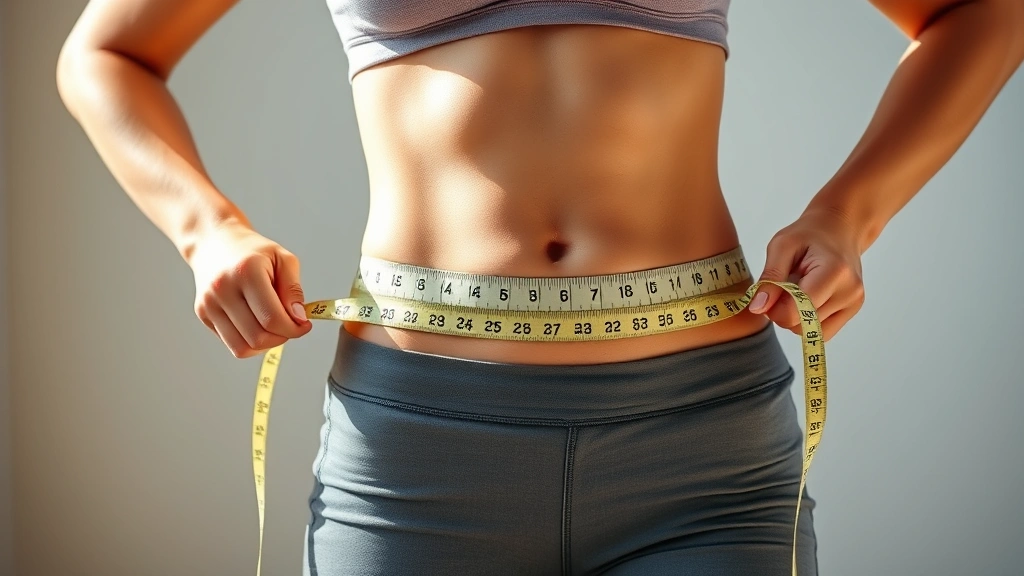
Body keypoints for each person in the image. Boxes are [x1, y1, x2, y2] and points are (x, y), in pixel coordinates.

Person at [55, 0, 1023, 574]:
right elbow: (105, 52)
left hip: (703, 452)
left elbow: (978, 10)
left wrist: (848, 214)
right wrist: (204, 228)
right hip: (414, 453)